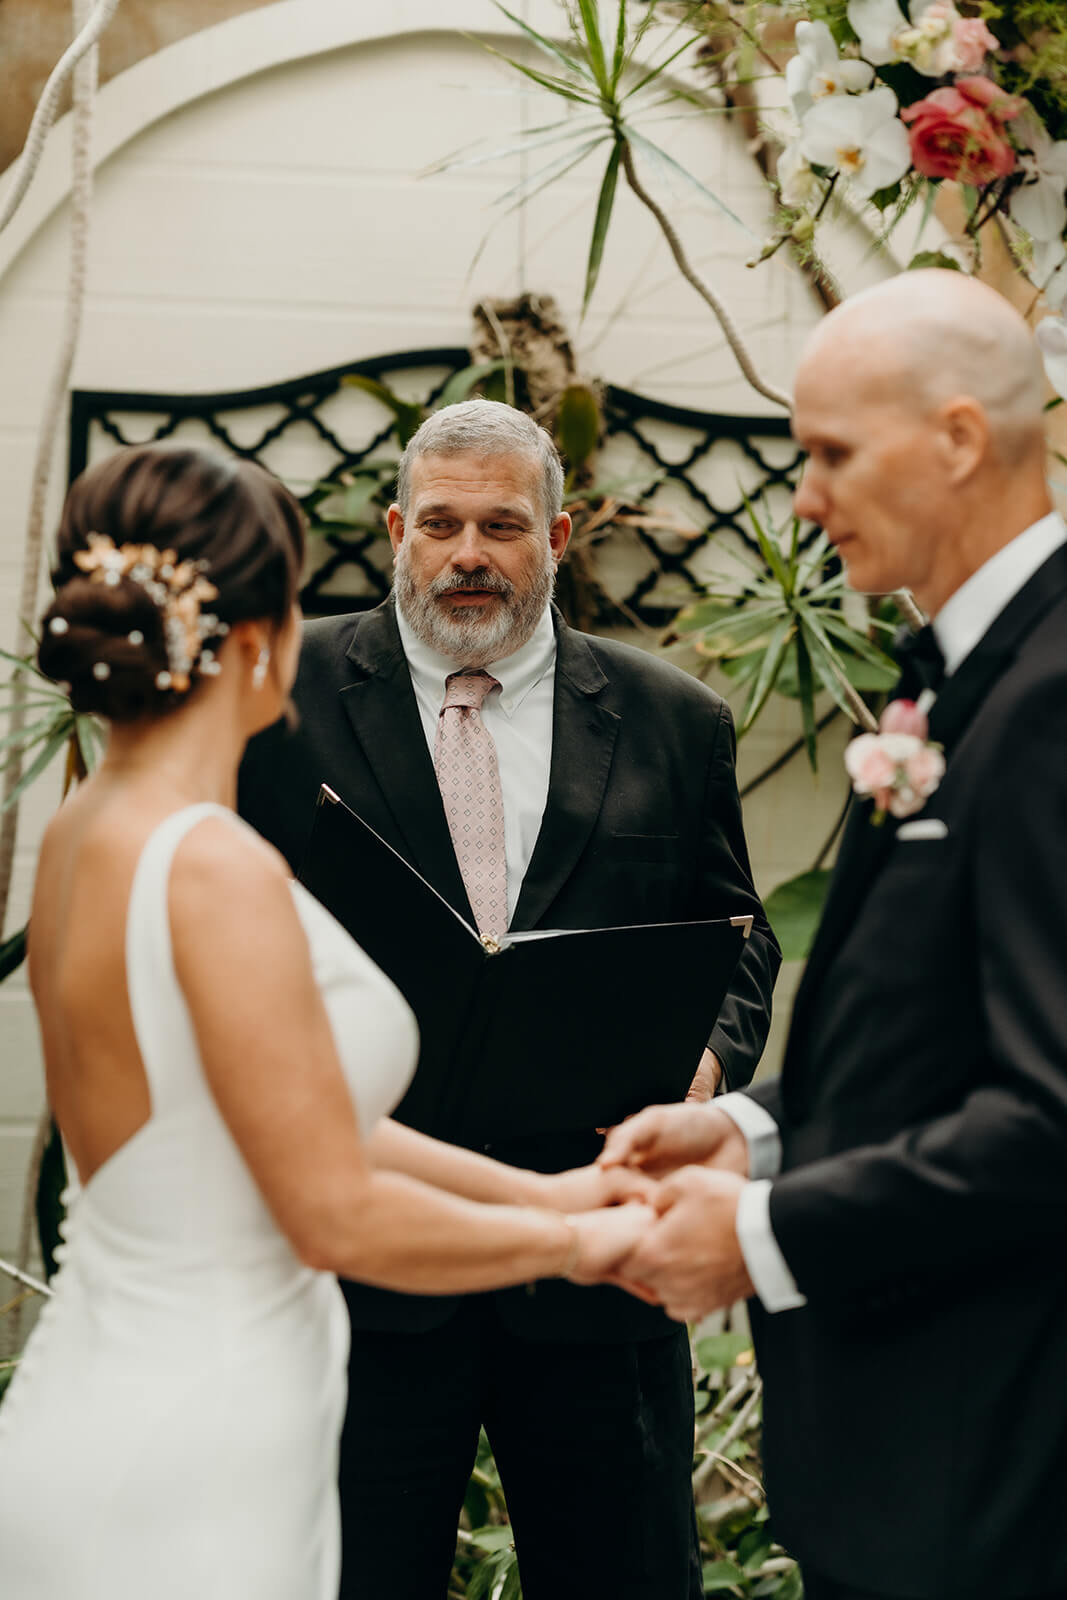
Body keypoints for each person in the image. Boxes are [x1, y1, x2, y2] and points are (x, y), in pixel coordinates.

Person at [0, 441, 655, 1600]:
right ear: (256, 637)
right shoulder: (214, 867)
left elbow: (279, 1117)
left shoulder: (87, 831)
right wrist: (582, 1243)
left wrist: (550, 1192)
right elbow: (332, 1210)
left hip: (107, 1390)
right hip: (200, 1435)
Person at [238, 398, 781, 1600]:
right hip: (363, 1265)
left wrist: (701, 1072)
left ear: (558, 534)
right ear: (394, 528)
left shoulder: (672, 719)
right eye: (439, 524)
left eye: (501, 524)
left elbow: (736, 938)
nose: (468, 554)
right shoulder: (279, 701)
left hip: (597, 1271)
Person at [600, 270, 1067, 1600]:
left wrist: (756, 1235)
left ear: (959, 439)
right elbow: (946, 1040)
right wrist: (747, 1127)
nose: (800, 499)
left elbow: (1045, 1115)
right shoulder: (962, 678)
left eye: (827, 454)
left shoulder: (1044, 699)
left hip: (993, 1468)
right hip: (908, 1464)